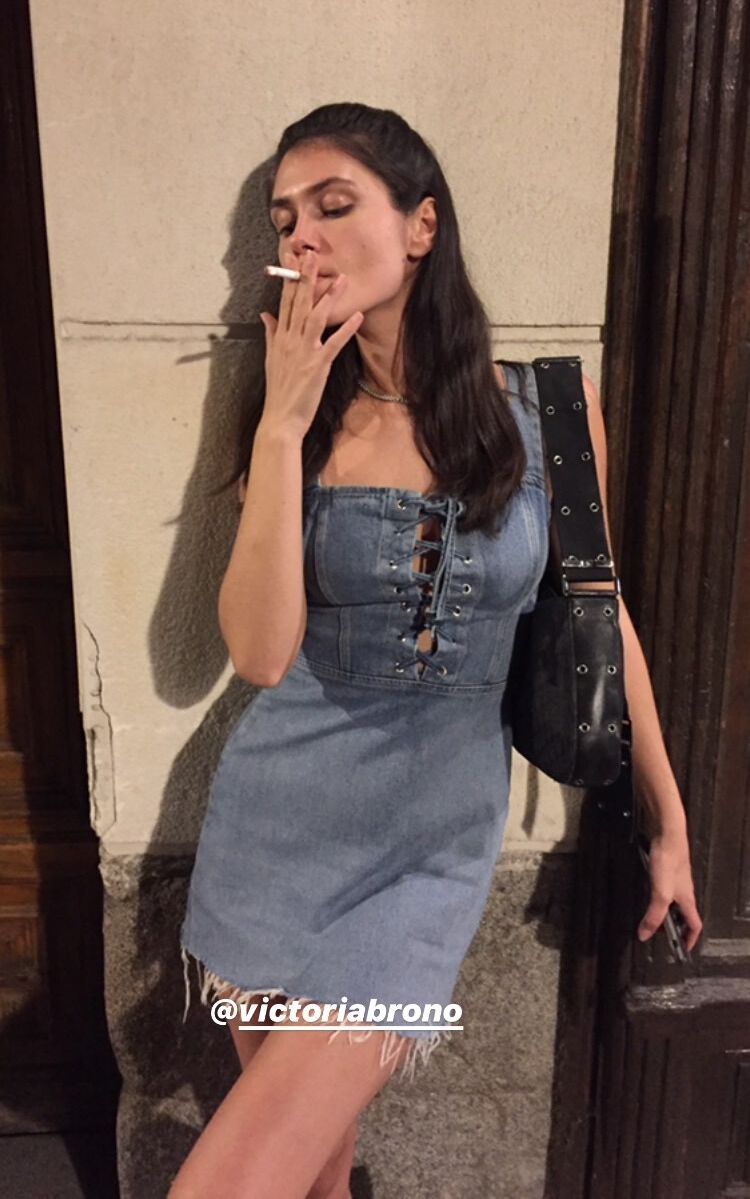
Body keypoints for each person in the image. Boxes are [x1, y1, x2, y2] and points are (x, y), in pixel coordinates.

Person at [169, 103, 702, 1198]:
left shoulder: (553, 412)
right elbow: (259, 657)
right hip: (275, 834)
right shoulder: (295, 419)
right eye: (285, 219)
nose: (303, 238)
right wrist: (280, 424)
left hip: (431, 854)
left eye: (333, 205)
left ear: (421, 225)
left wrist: (669, 818)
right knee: (311, 1176)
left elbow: (602, 612)